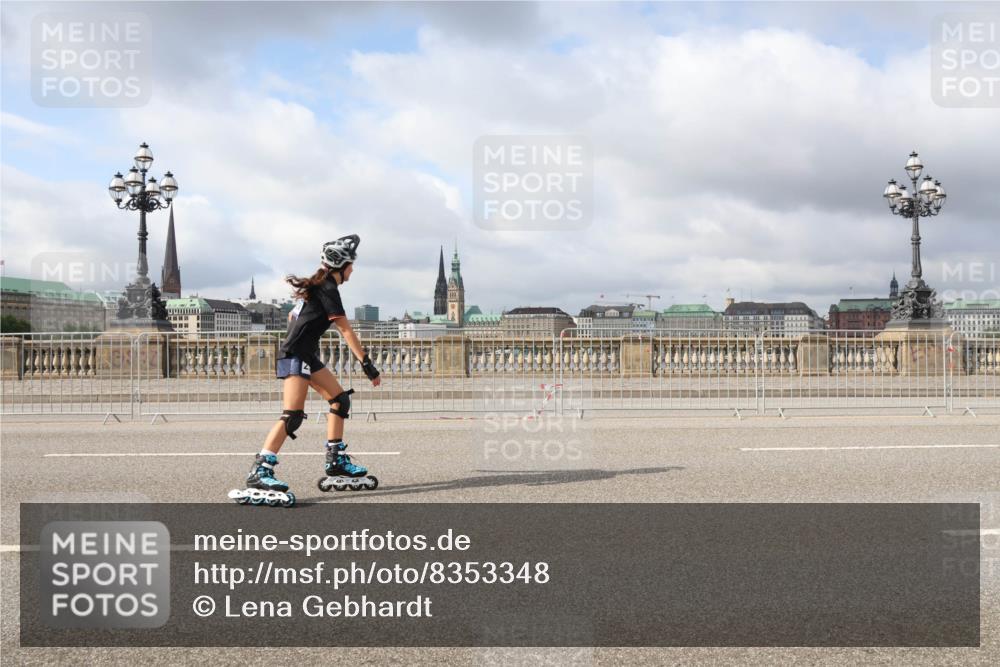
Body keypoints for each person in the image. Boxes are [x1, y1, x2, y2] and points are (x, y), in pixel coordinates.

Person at [229, 234, 381, 506]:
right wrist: (367, 364)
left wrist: (301, 340)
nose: (353, 269)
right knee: (293, 415)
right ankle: (260, 471)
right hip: (296, 354)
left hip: (303, 353)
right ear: (340, 265)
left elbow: (292, 316)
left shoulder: (319, 286)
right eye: (351, 264)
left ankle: (335, 460)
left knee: (340, 399)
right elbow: (345, 330)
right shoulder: (329, 289)